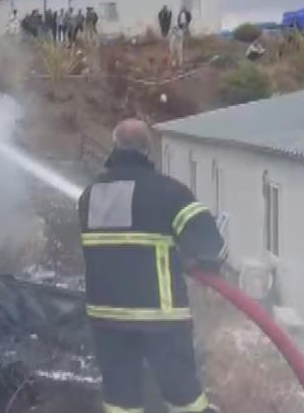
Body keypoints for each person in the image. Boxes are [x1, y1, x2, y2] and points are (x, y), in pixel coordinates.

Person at [78, 119, 226, 413]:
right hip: (161, 317)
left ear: (114, 146)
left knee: (120, 399)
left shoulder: (89, 196)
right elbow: (212, 246)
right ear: (148, 151)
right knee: (183, 395)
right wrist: (201, 262)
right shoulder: (169, 192)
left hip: (106, 318)